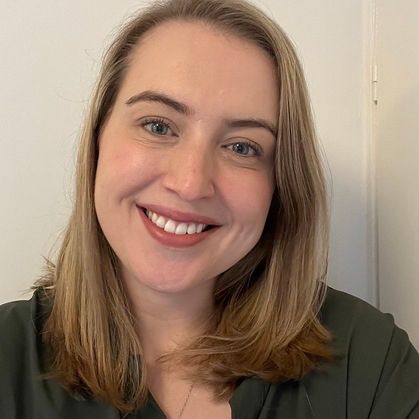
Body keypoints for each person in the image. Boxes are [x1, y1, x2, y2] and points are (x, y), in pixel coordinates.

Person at [0, 0, 418, 418]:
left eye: (242, 147)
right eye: (158, 126)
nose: (190, 183)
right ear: (97, 141)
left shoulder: (370, 361)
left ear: (281, 183)